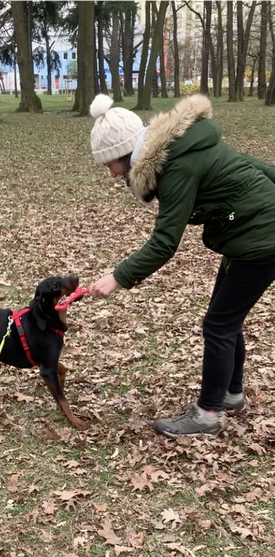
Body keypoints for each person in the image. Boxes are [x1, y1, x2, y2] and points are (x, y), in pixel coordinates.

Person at [88, 93, 275, 438]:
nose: (111, 174)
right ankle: (231, 395)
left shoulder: (177, 166)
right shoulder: (184, 145)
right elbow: (251, 165)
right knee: (225, 321)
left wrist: (117, 277)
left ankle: (207, 415)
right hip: (249, 233)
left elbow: (164, 243)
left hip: (261, 239)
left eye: (109, 164)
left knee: (218, 326)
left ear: (124, 152)